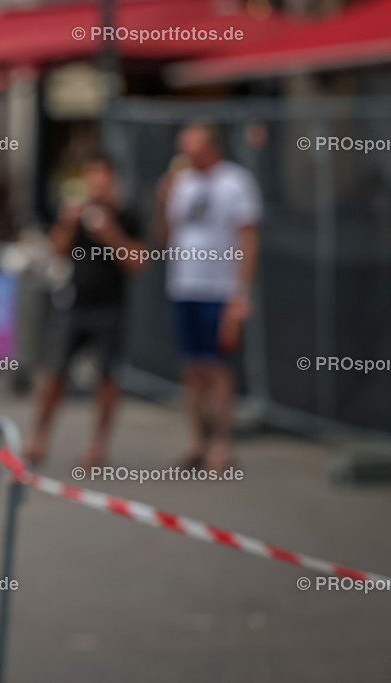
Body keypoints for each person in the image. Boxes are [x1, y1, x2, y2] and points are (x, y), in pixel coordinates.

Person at [24, 153, 144, 467]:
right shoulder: (77, 216)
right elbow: (54, 253)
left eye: (103, 177)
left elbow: (137, 263)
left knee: (106, 378)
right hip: (74, 305)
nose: (98, 184)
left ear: (113, 181)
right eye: (92, 177)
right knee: (53, 375)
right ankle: (38, 438)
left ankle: (98, 446)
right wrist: (67, 221)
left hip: (111, 308)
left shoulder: (127, 215)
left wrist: (110, 234)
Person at [157, 123, 261, 472]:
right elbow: (167, 235)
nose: (184, 153)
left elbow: (247, 237)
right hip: (184, 285)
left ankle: (221, 443)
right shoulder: (182, 184)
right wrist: (162, 200)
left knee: (218, 369)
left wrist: (240, 291)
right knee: (192, 368)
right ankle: (196, 443)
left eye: (190, 146)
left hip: (218, 288)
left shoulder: (235, 182)